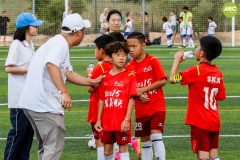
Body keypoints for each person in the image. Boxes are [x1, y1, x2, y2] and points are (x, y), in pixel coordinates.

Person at [18, 13, 104, 159]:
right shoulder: (60, 45)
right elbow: (51, 65)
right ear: (78, 32)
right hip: (44, 104)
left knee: (46, 148)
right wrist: (63, 91)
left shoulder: (57, 42)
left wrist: (92, 81)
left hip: (32, 103)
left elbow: (67, 73)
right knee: (53, 147)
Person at [169, 36, 226, 160]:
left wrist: (176, 61)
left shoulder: (196, 71)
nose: (195, 49)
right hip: (214, 120)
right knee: (213, 153)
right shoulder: (218, 73)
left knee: (203, 155)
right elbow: (221, 96)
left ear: (201, 54)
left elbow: (173, 78)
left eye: (197, 47)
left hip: (200, 122)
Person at [4, 12, 43, 160]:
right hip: (19, 98)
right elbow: (9, 68)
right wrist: (30, 70)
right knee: (18, 132)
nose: (37, 27)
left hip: (29, 97)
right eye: (35, 25)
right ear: (27, 28)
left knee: (28, 134)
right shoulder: (17, 44)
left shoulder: (30, 45)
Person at [125, 32, 167, 160]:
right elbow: (127, 89)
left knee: (155, 134)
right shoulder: (128, 67)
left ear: (143, 45)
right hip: (141, 110)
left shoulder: (153, 61)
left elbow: (162, 81)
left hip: (156, 106)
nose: (131, 49)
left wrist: (142, 90)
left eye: (134, 46)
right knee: (145, 139)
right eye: (129, 46)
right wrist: (137, 94)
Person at [95, 41, 137, 160]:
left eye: (124, 54)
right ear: (110, 57)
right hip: (107, 121)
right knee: (107, 152)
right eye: (117, 55)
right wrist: (98, 120)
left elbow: (132, 98)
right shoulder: (105, 76)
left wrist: (127, 119)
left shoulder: (130, 76)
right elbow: (102, 99)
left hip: (122, 121)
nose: (122, 58)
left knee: (123, 148)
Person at [86, 35, 115, 160]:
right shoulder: (116, 67)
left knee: (99, 140)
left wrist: (89, 76)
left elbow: (90, 88)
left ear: (101, 50)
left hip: (97, 109)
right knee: (111, 141)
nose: (95, 51)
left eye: (95, 48)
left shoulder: (100, 67)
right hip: (112, 109)